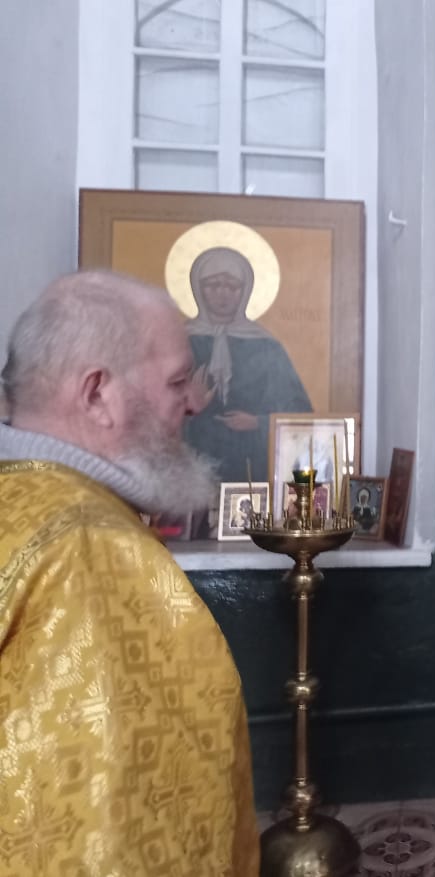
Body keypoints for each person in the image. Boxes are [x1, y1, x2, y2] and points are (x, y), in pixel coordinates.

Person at [0, 271, 258, 874]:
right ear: (97, 395)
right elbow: (115, 835)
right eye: (176, 382)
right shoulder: (95, 553)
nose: (194, 403)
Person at [184, 246, 312, 487]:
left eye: (232, 286)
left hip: (251, 464)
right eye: (213, 285)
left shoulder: (266, 346)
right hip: (191, 465)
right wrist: (189, 405)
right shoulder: (180, 342)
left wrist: (259, 422)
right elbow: (149, 412)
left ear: (245, 291)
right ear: (198, 289)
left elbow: (299, 413)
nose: (223, 293)